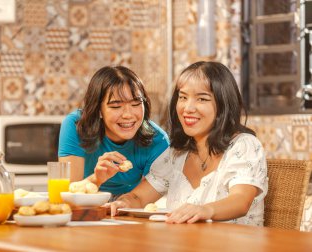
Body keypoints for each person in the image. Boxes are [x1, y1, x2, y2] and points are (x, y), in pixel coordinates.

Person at [105, 61, 268, 226]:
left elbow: (240, 201)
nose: (188, 108)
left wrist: (205, 210)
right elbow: (138, 197)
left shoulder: (245, 145)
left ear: (223, 105)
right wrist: (123, 202)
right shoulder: (176, 154)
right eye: (183, 97)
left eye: (202, 99)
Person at [58, 65, 169, 198]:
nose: (128, 114)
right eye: (116, 106)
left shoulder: (158, 140)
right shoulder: (76, 125)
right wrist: (97, 179)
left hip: (127, 208)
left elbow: (141, 198)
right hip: (86, 206)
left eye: (135, 104)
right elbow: (68, 196)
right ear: (98, 110)